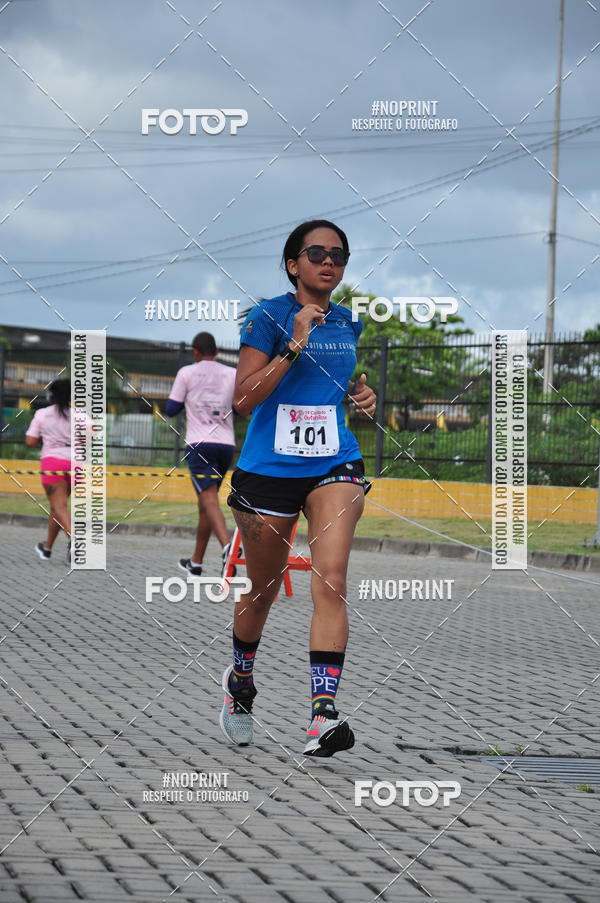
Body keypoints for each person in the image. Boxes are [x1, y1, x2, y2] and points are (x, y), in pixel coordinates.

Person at [220, 219, 376, 758]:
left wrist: (360, 394)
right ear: (293, 264)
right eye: (316, 253)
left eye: (339, 254)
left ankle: (322, 716)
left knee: (331, 579)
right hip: (268, 470)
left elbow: (337, 385)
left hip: (335, 463)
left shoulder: (350, 323)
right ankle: (241, 684)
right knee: (261, 590)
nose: (329, 262)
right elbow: (243, 400)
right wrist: (294, 343)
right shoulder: (267, 318)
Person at [166, 331, 236, 576]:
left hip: (199, 443)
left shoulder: (187, 372)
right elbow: (240, 407)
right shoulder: (232, 373)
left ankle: (228, 547)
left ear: (195, 352)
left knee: (208, 500)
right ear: (216, 351)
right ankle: (196, 563)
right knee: (206, 503)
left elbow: (171, 408)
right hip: (226, 444)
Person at [25, 378, 72, 562]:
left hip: (53, 464)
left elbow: (30, 441)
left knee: (59, 506)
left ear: (51, 396)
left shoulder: (42, 414)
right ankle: (47, 548)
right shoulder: (80, 415)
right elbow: (91, 435)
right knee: (58, 507)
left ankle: (75, 540)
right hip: (75, 465)